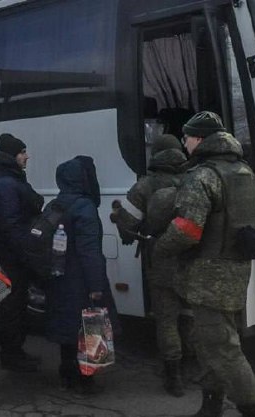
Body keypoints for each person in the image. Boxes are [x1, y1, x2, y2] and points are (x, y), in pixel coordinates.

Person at [154, 111, 255, 417]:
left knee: (222, 347)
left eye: (187, 137)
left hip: (208, 275)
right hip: (235, 270)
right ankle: (210, 405)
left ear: (199, 139)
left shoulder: (202, 175)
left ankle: (253, 411)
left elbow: (187, 229)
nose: (184, 142)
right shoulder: (244, 171)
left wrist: (160, 248)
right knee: (206, 340)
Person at [110, 134, 190, 397]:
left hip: (161, 262)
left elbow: (127, 226)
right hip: (195, 260)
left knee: (166, 319)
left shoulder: (146, 185)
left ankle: (174, 377)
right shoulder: (196, 179)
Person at [44, 156, 114, 395]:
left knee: (67, 327)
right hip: (81, 280)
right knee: (90, 326)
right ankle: (87, 380)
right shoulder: (84, 207)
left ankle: (66, 374)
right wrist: (96, 285)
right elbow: (89, 251)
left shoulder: (54, 204)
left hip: (58, 277)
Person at [0, 133, 44, 372]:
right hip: (9, 258)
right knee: (12, 307)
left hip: (5, 255)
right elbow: (11, 226)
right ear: (12, 156)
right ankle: (12, 355)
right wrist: (28, 254)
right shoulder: (6, 184)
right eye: (22, 152)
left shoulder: (6, 180)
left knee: (11, 306)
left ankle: (13, 352)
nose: (27, 156)